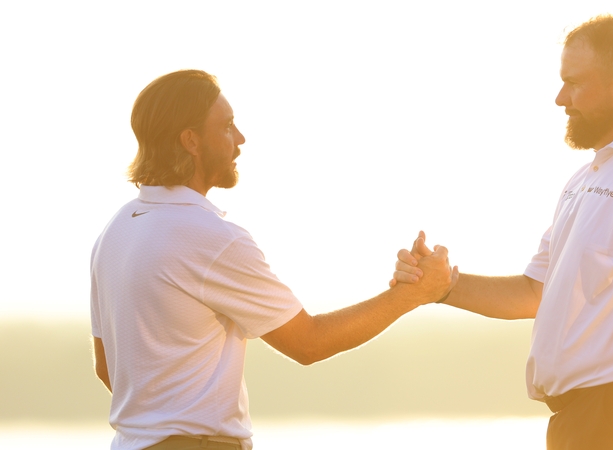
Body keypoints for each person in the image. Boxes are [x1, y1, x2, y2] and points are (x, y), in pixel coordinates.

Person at [392, 15, 613, 450]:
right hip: (584, 420)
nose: (560, 98)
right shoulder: (588, 177)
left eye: (574, 83)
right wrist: (444, 286)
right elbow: (534, 292)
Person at [90, 69, 455, 450]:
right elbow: (309, 343)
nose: (241, 139)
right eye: (228, 126)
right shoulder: (210, 238)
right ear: (191, 140)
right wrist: (413, 294)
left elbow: (108, 369)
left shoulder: (115, 231)